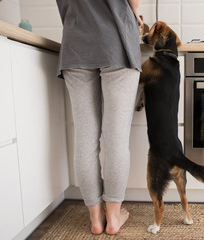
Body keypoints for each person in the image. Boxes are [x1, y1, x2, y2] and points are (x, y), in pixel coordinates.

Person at [56, 0, 143, 235]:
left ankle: (96, 219)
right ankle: (113, 218)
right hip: (117, 40)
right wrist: (135, 14)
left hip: (76, 45)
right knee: (116, 139)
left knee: (84, 138)